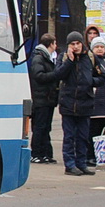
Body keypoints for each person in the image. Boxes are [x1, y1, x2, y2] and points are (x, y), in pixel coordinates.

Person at [54, 31, 105, 175]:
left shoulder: (90, 57)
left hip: (85, 103)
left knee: (83, 137)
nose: (75, 47)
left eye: (78, 43)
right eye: (72, 44)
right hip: (68, 104)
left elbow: (102, 77)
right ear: (68, 45)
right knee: (69, 136)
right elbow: (58, 75)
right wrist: (69, 62)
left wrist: (91, 82)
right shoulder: (63, 57)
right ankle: (69, 165)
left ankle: (81, 163)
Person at [27, 32, 59, 164]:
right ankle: (36, 153)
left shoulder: (46, 58)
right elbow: (38, 76)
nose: (56, 46)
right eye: (55, 43)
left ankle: (46, 153)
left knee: (46, 127)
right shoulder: (39, 58)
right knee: (40, 127)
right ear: (51, 44)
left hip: (47, 98)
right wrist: (54, 75)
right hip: (42, 99)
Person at [90, 36, 105, 165]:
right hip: (94, 104)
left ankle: (104, 154)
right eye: (97, 47)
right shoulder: (90, 62)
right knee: (93, 132)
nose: (99, 49)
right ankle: (91, 155)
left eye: (101, 47)